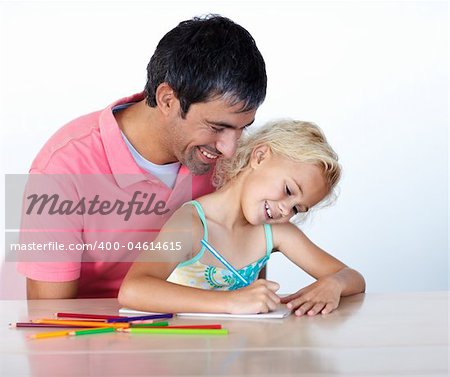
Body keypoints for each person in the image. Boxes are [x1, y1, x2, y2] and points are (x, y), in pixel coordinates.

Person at [16, 14, 267, 299]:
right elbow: (50, 318)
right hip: (97, 336)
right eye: (216, 127)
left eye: (241, 129)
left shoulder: (231, 159)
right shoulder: (62, 169)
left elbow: (249, 272)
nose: (230, 149)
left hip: (198, 329)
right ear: (167, 100)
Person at [119, 120, 366, 316]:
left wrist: (334, 284)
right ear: (259, 157)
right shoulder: (192, 224)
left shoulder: (274, 233)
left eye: (297, 209)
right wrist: (231, 301)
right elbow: (133, 289)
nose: (285, 211)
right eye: (289, 191)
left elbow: (352, 277)